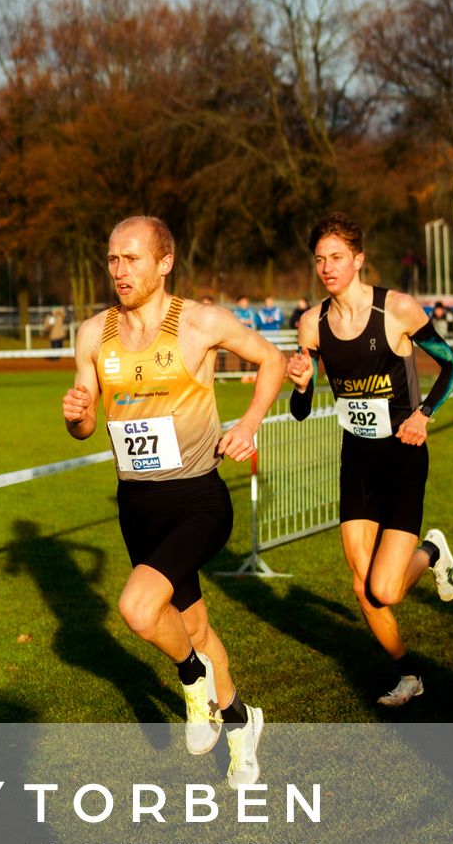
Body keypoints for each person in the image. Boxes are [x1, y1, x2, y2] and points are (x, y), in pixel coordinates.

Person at [61, 215, 286, 787]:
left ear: (164, 263)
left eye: (132, 258)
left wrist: (251, 421)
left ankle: (192, 683)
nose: (119, 270)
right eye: (112, 258)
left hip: (197, 500)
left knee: (138, 609)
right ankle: (240, 722)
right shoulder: (93, 335)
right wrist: (80, 418)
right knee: (198, 626)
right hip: (137, 504)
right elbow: (85, 430)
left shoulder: (201, 323)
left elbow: (273, 360)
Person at [286, 213, 453, 710]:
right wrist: (300, 386)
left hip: (403, 456)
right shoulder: (312, 324)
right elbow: (301, 410)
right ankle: (409, 674)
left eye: (337, 257)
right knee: (363, 589)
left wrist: (425, 413)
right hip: (357, 460)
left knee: (384, 589)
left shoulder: (398, 311)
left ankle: (430, 551)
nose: (327, 267)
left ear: (358, 259)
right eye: (320, 259)